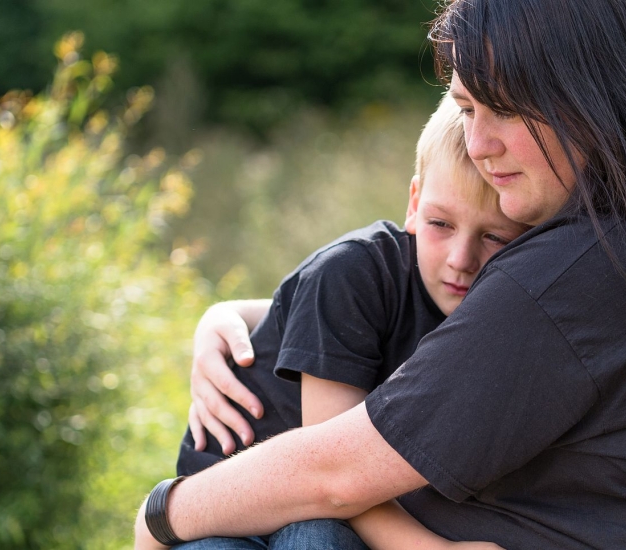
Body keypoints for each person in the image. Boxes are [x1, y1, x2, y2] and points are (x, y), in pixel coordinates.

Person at [136, 0, 626, 547]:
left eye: (504, 110)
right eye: (467, 109)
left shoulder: (577, 274)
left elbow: (336, 474)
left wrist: (161, 514)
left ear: (588, 99)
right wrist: (237, 319)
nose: (479, 147)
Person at [174, 95, 528, 549]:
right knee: (318, 538)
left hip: (329, 499)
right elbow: (330, 468)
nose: (461, 260)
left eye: (495, 236)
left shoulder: (507, 306)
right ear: (414, 203)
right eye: (441, 224)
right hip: (229, 502)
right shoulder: (351, 272)